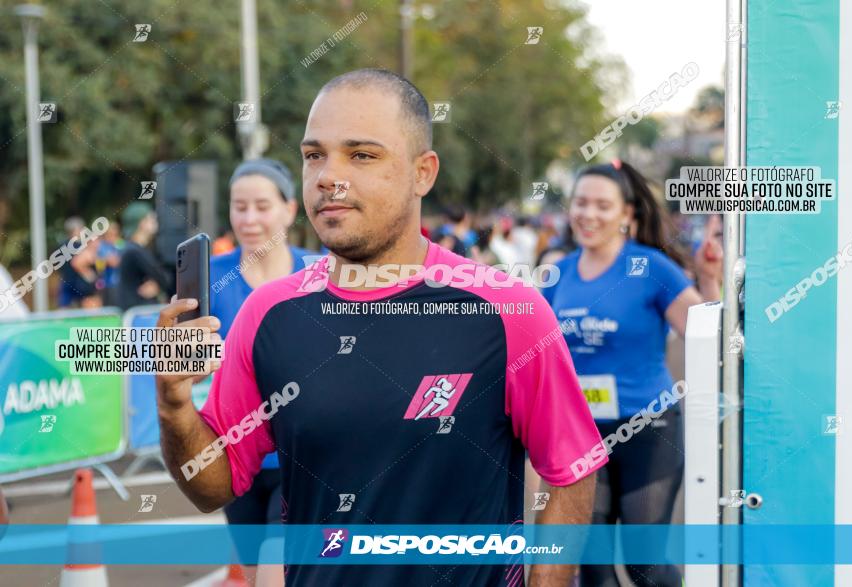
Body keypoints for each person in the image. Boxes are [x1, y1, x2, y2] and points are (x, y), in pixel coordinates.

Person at [156, 68, 606, 587]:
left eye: (361, 155)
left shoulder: (507, 310)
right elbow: (212, 486)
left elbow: (572, 468)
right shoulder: (267, 314)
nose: (328, 176)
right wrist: (173, 406)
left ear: (423, 172)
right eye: (313, 155)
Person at [541, 159, 721, 587]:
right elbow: (538, 356)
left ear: (627, 214)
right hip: (581, 436)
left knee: (645, 567)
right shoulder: (557, 275)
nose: (589, 214)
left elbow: (705, 335)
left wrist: (711, 281)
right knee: (593, 568)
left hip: (647, 428)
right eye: (581, 203)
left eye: (603, 205)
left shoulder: (651, 269)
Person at [211, 158, 314, 585]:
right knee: (257, 576)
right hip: (235, 460)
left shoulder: (321, 272)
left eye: (261, 206)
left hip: (302, 458)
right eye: (239, 207)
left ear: (290, 209)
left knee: (276, 572)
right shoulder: (209, 278)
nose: (249, 218)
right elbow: (181, 367)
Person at [117, 202, 173, 311]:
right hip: (138, 316)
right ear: (142, 223)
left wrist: (157, 285)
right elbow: (164, 279)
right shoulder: (134, 251)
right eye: (152, 219)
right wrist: (159, 284)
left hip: (135, 313)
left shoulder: (129, 249)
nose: (155, 222)